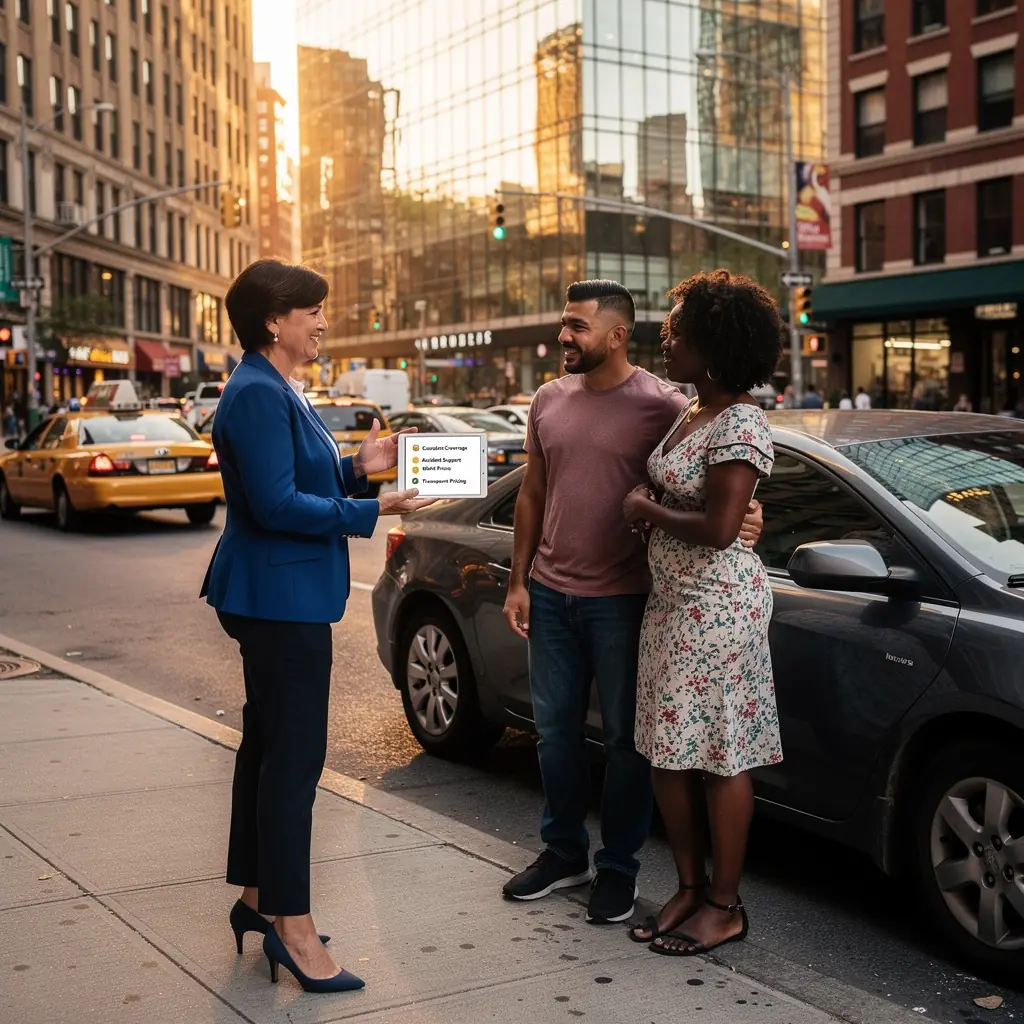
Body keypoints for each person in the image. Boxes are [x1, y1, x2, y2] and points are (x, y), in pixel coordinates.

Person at [200, 259, 433, 994]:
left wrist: (355, 468)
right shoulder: (258, 393)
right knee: (294, 759)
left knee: (269, 747)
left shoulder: (273, 388)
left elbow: (297, 481)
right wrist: (375, 509)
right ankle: (292, 932)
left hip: (278, 594)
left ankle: (258, 900)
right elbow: (274, 507)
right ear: (275, 321)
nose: (324, 321)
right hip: (278, 597)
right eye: (312, 310)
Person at [500, 279, 762, 925]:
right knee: (554, 736)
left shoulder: (666, 403)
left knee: (629, 747)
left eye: (576, 326)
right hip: (554, 594)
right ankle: (564, 853)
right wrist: (519, 579)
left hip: (626, 600)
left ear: (616, 335)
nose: (563, 336)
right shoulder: (548, 399)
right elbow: (532, 492)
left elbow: (725, 480)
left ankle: (618, 868)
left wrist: (755, 517)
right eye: (564, 323)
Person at [623, 269, 783, 957]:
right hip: (672, 603)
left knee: (720, 753)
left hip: (718, 608)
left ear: (713, 342)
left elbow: (722, 528)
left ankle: (725, 904)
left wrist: (643, 510)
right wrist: (653, 510)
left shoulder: (743, 421)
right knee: (667, 747)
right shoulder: (693, 410)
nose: (666, 337)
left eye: (678, 330)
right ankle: (688, 887)